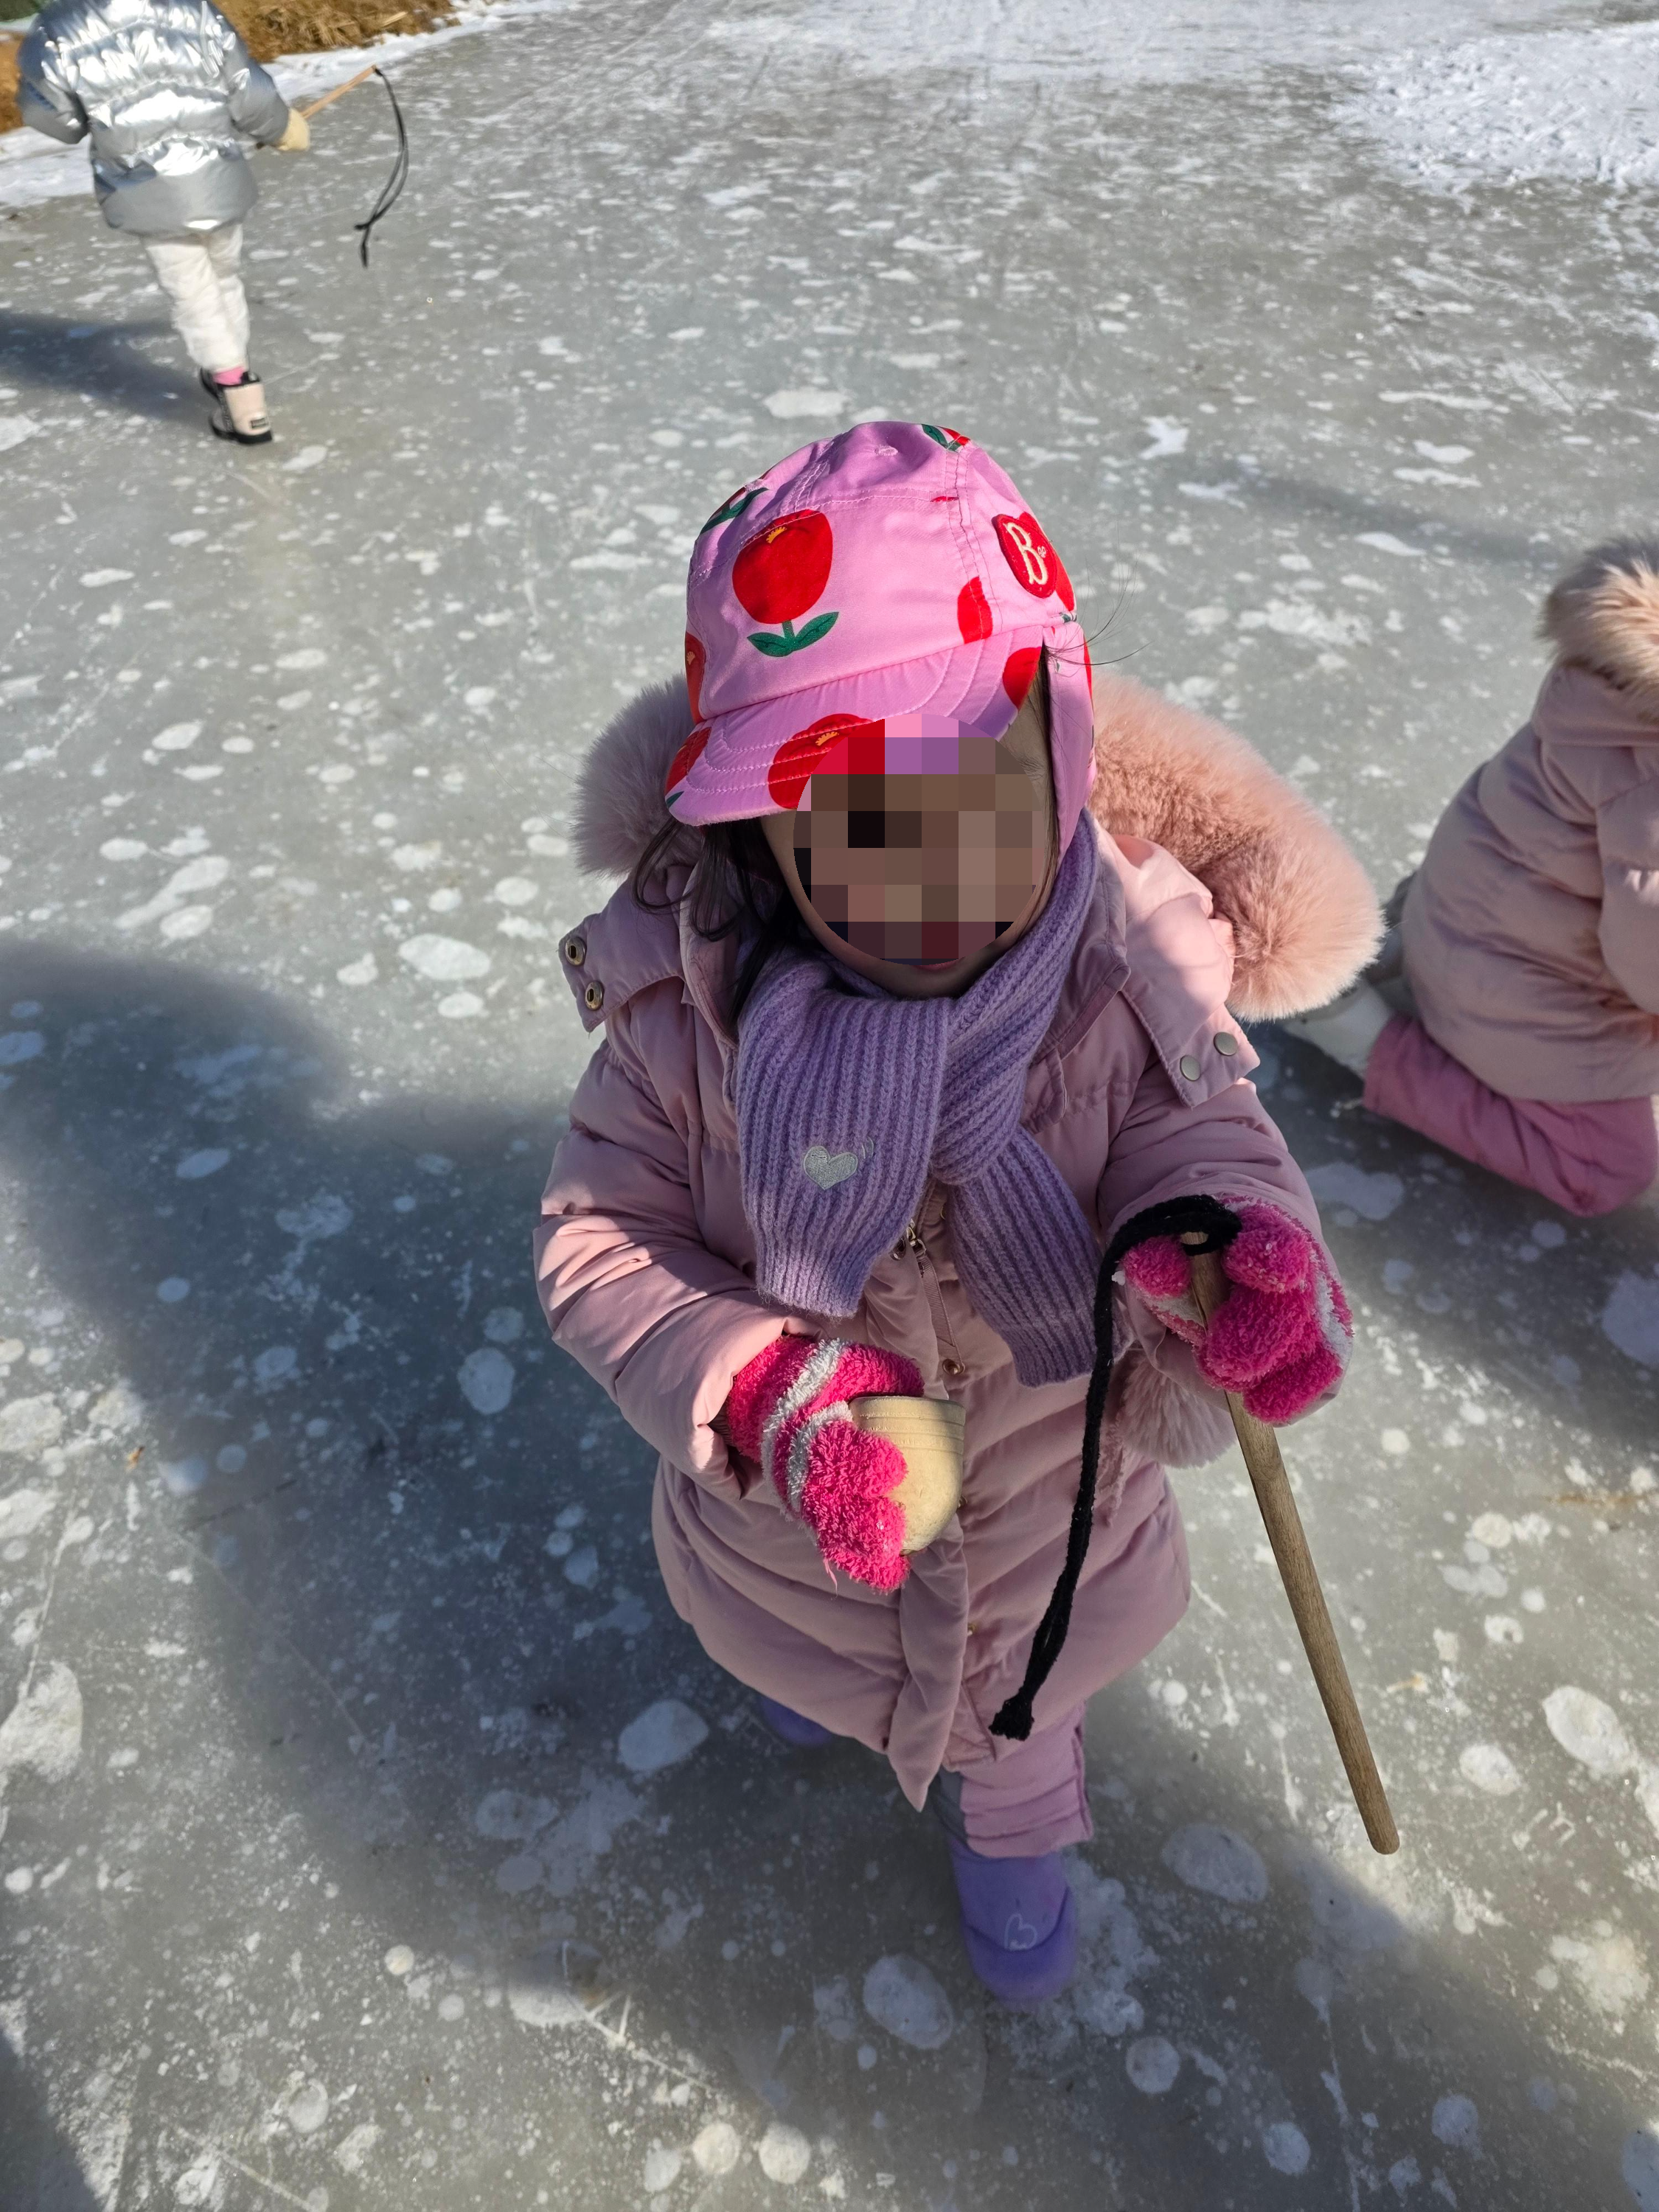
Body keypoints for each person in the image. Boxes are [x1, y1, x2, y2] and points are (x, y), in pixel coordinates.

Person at [535, 422, 1376, 2006]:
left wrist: (1221, 1246)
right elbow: (601, 1241)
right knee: (799, 1653)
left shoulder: (1123, 968)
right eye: (862, 821)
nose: (942, 875)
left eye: (989, 796)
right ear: (760, 826)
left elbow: (1205, 1127)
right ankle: (815, 1695)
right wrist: (764, 1393)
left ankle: (1019, 1830)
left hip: (1051, 1532)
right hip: (789, 1539)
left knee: (1022, 1724)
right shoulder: (683, 1018)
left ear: (1061, 760)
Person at [1283, 539, 1659, 1217]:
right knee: (1606, 1167)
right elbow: (1649, 950)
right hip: (1511, 975)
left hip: (1470, 908)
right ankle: (1365, 1038)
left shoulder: (1620, 689)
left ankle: (1405, 967)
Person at [18, 0, 308, 445]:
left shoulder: (57, 28)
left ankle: (239, 395)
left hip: (146, 187)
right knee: (223, 276)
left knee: (193, 292)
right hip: (216, 178)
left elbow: (53, 118)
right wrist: (282, 128)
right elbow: (248, 92)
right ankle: (232, 367)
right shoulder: (194, 9)